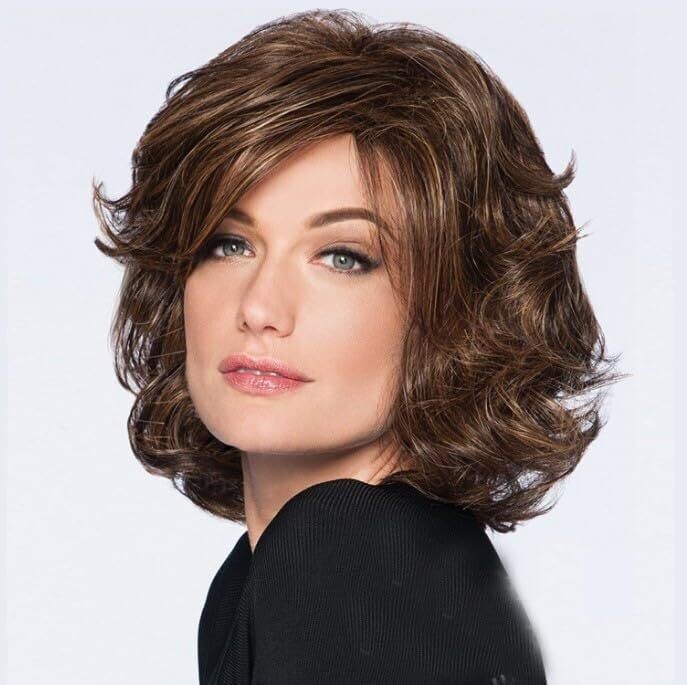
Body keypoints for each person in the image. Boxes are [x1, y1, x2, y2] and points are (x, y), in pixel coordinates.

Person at [92, 9, 625, 684]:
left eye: (343, 257)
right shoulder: (280, 576)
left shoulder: (342, 556)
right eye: (229, 243)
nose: (258, 308)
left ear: (454, 314)